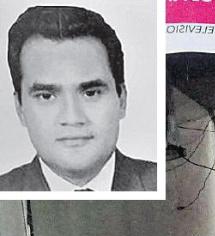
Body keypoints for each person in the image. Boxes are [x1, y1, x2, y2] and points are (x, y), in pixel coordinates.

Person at [3, 6, 156, 191]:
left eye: (90, 93)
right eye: (46, 96)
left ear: (121, 99)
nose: (73, 118)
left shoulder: (162, 182)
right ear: (20, 108)